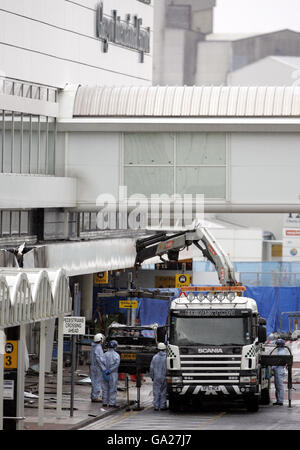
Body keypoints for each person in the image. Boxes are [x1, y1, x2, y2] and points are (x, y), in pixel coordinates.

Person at [100, 340, 120, 407]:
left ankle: (104, 402)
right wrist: (110, 370)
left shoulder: (104, 354)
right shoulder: (117, 355)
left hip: (105, 373)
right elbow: (116, 365)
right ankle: (112, 403)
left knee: (105, 388)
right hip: (113, 374)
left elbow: (101, 363)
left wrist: (105, 370)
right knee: (113, 388)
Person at [150, 342, 167, 411]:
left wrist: (152, 377)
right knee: (163, 392)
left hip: (156, 377)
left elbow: (151, 368)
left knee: (156, 391)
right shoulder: (166, 357)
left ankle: (156, 406)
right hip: (164, 376)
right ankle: (163, 406)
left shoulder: (155, 357)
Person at [272, 338, 288, 406]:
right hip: (278, 370)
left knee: (279, 386)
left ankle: (280, 401)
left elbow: (278, 362)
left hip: (279, 370)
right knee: (277, 386)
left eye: (277, 344)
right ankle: (278, 400)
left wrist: (272, 368)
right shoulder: (280, 351)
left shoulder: (281, 352)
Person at [90, 333, 105, 402]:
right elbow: (99, 359)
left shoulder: (94, 347)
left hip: (93, 366)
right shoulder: (98, 348)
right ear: (100, 339)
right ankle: (95, 397)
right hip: (97, 368)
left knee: (94, 382)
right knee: (97, 382)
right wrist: (103, 368)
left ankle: (93, 396)